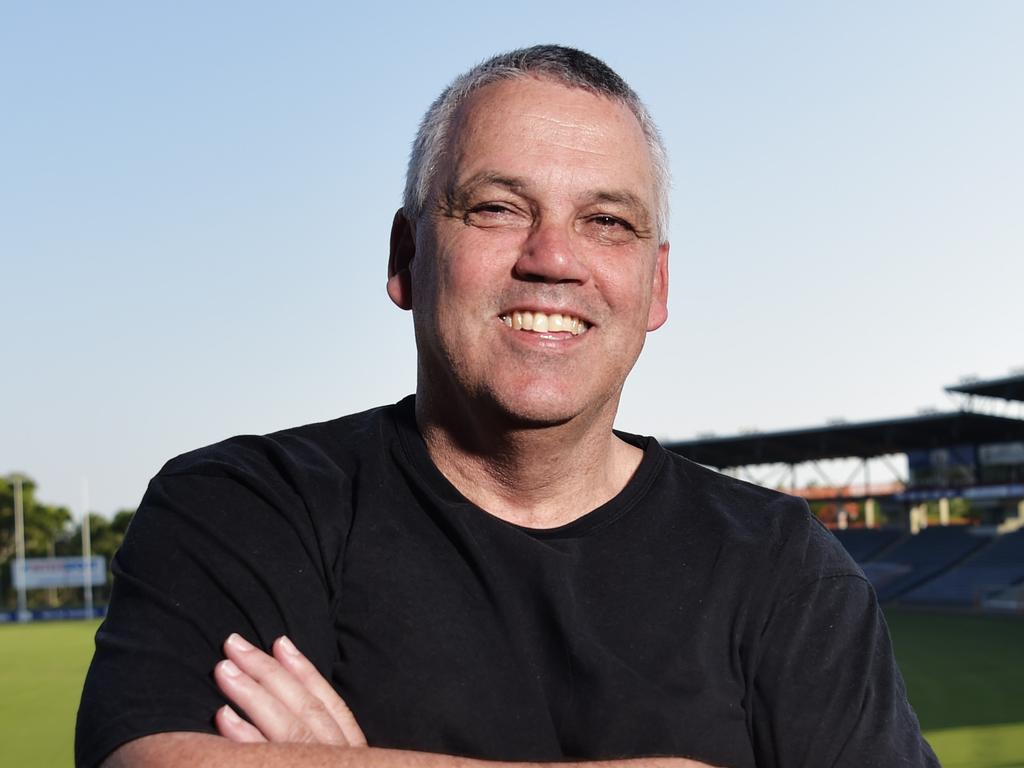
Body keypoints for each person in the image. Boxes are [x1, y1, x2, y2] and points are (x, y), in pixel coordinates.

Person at [76, 45, 939, 768]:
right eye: (496, 208)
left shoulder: (785, 571)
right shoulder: (243, 507)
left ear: (657, 286)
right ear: (408, 256)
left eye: (607, 222)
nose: (553, 257)